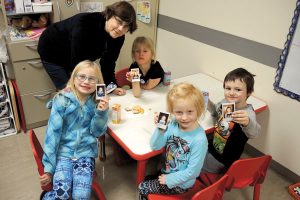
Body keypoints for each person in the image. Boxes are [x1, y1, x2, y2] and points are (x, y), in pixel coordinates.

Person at [39, 60, 109, 199]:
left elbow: (97, 133)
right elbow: (52, 137)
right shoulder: (61, 100)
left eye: (91, 78)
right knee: (62, 194)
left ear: (98, 83)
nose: (86, 82)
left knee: (81, 196)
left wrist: (101, 113)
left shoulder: (97, 101)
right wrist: (49, 169)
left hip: (85, 154)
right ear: (74, 78)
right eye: (81, 76)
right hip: (63, 154)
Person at [38, 1, 137, 95]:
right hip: (51, 50)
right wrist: (90, 90)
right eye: (119, 22)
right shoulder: (85, 24)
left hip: (74, 55)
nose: (121, 29)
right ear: (109, 15)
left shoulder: (119, 36)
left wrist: (112, 86)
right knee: (70, 94)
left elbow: (108, 62)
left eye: (126, 26)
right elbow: (77, 65)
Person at [138, 83, 208, 199]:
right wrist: (160, 129)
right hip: (167, 172)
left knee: (142, 187)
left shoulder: (200, 140)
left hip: (181, 184)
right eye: (179, 112)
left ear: (199, 110)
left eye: (190, 112)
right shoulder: (174, 124)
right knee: (148, 179)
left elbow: (193, 172)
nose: (184, 117)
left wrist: (169, 179)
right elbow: (155, 146)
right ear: (172, 111)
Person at [201, 67, 261, 174]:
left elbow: (254, 133)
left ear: (249, 92)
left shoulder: (247, 113)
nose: (231, 93)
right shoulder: (226, 102)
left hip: (222, 160)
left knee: (187, 162)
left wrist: (248, 122)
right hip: (213, 146)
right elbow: (216, 112)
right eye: (228, 88)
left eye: (238, 89)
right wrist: (207, 102)